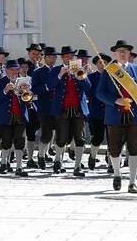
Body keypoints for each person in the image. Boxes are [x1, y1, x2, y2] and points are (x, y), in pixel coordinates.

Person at [96, 40, 137, 193]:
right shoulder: (109, 70)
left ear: (129, 54)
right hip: (115, 115)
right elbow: (99, 93)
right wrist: (115, 100)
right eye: (120, 51)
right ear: (115, 53)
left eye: (125, 51)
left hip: (135, 116)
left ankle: (132, 182)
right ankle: (117, 174)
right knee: (114, 149)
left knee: (134, 148)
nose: (122, 53)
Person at [48, 46, 91, 176]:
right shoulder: (56, 69)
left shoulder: (80, 69)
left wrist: (83, 75)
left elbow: (89, 88)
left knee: (80, 137)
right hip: (62, 108)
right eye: (67, 57)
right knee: (61, 137)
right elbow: (50, 86)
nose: (69, 59)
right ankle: (57, 162)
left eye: (71, 56)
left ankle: (77, 166)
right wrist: (60, 74)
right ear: (62, 58)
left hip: (78, 108)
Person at [0, 60, 29, 177]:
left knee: (20, 141)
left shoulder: (23, 81)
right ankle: (4, 164)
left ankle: (19, 167)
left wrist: (27, 90)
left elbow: (28, 99)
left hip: (20, 115)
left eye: (16, 70)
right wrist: (5, 90)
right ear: (7, 70)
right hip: (5, 116)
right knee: (6, 141)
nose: (14, 72)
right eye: (12, 69)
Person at [31, 46, 59, 170]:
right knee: (46, 134)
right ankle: (41, 155)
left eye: (54, 57)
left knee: (61, 135)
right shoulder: (38, 72)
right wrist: (46, 87)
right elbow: (34, 89)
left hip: (58, 107)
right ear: (45, 57)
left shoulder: (60, 70)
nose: (52, 59)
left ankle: (59, 161)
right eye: (50, 57)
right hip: (45, 107)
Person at [87, 53, 112, 170]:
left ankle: (111, 161)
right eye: (100, 63)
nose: (102, 65)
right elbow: (89, 93)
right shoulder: (91, 77)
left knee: (112, 138)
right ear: (96, 65)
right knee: (98, 137)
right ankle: (92, 156)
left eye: (105, 63)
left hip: (110, 111)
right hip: (96, 112)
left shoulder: (112, 77)